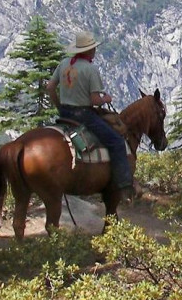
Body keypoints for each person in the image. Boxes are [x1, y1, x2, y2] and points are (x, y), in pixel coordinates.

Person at [46, 30, 135, 198]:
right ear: (87, 50)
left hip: (65, 113)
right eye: (93, 48)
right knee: (116, 141)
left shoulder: (64, 63)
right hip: (83, 115)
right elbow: (94, 100)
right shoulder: (90, 69)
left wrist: (58, 105)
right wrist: (106, 98)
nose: (95, 50)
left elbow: (50, 87)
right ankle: (124, 185)